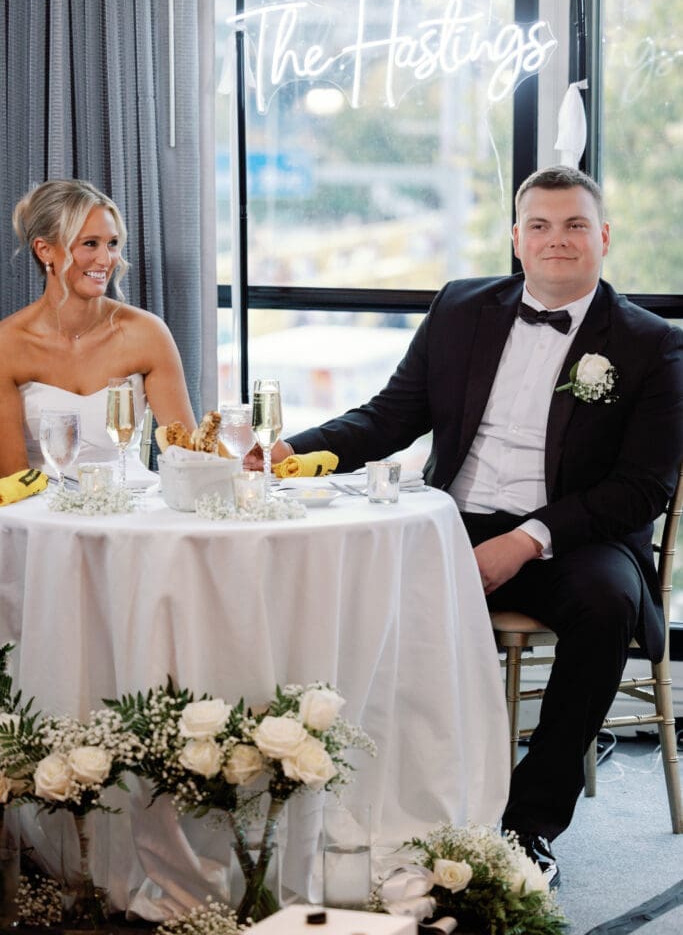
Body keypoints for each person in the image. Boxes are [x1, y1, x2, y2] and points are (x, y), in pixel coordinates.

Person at [254, 165, 683, 886]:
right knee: (342, 578)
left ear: (603, 237)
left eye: (574, 225)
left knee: (606, 607)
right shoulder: (459, 308)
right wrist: (296, 452)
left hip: (573, 532)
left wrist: (523, 542)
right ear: (515, 239)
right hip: (446, 518)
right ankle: (354, 795)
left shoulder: (650, 343)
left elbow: (639, 489)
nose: (556, 241)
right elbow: (388, 417)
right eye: (539, 226)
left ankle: (527, 828)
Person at [0, 179, 196, 480]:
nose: (106, 260)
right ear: (44, 250)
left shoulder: (147, 334)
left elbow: (189, 457)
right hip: (40, 514)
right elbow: (13, 484)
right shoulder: (8, 344)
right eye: (90, 243)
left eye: (112, 243)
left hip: (132, 506)